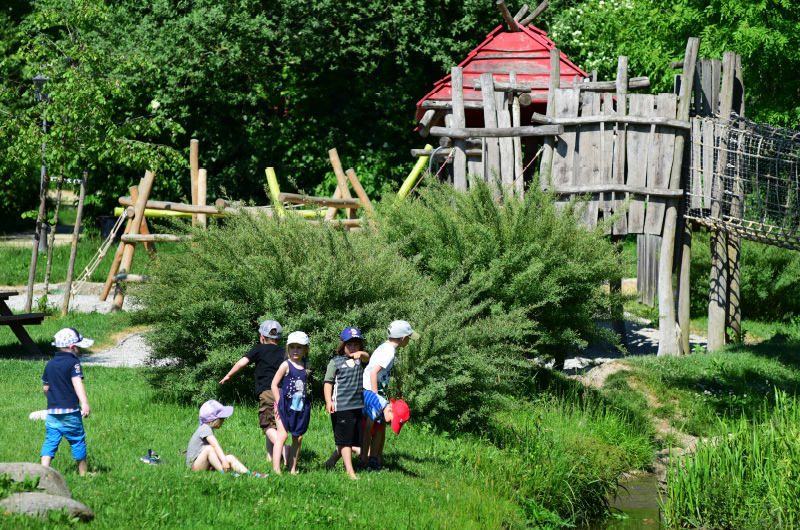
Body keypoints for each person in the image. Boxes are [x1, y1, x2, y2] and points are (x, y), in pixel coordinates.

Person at [219, 320, 285, 463]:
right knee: (277, 424)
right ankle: (271, 457)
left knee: (266, 424)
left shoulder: (259, 349)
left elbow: (242, 362)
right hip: (283, 393)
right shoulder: (285, 351)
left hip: (267, 392)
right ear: (279, 338)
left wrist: (229, 374)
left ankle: (285, 449)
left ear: (262, 337)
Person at [361, 320, 418, 470]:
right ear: (403, 338)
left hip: (372, 390)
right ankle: (369, 461)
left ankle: (375, 460)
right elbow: (373, 371)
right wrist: (376, 398)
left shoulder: (384, 346)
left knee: (380, 426)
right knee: (375, 426)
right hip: (371, 391)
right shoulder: (389, 352)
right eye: (409, 338)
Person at [40, 328, 94, 476]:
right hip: (70, 411)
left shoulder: (49, 364)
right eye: (78, 348)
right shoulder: (73, 363)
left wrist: (52, 399)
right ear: (72, 347)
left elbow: (46, 387)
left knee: (50, 441)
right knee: (77, 440)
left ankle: (44, 470)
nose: (79, 351)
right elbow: (77, 383)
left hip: (52, 412)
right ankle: (83, 472)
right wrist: (84, 402)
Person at [324, 327, 369, 480]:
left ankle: (330, 462)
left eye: (356, 344)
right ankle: (350, 471)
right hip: (341, 407)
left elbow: (367, 359)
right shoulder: (335, 362)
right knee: (345, 440)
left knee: (349, 439)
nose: (353, 348)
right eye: (349, 344)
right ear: (343, 344)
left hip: (357, 406)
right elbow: (328, 383)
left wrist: (361, 354)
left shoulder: (359, 361)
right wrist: (329, 401)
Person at [271, 331, 311, 475]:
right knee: (282, 436)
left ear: (305, 349)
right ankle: (276, 470)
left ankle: (292, 469)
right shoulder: (285, 365)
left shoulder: (306, 366)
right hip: (283, 406)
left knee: (298, 437)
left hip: (299, 407)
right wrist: (279, 403)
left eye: (299, 347)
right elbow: (274, 385)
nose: (295, 350)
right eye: (292, 347)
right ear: (288, 348)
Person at [186, 400, 250, 475]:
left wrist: (225, 459)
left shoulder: (207, 427)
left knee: (230, 457)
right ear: (214, 420)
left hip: (204, 462)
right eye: (222, 419)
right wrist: (224, 461)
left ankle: (248, 473)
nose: (223, 421)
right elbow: (215, 445)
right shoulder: (205, 428)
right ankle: (224, 473)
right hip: (194, 467)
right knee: (209, 449)